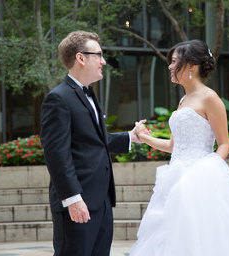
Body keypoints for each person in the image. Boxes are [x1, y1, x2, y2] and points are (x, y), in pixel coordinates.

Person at [129, 40, 229, 255]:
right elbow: (174, 146)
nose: (170, 66)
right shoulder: (183, 100)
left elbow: (224, 145)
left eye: (174, 62)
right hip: (175, 177)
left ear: (191, 66)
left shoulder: (210, 98)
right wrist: (144, 138)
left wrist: (207, 172)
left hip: (201, 180)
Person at [40, 30, 146, 256]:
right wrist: (73, 199)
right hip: (78, 202)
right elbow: (56, 154)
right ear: (81, 58)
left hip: (102, 201)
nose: (103, 61)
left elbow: (97, 141)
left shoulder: (90, 94)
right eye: (98, 55)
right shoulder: (58, 99)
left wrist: (130, 137)